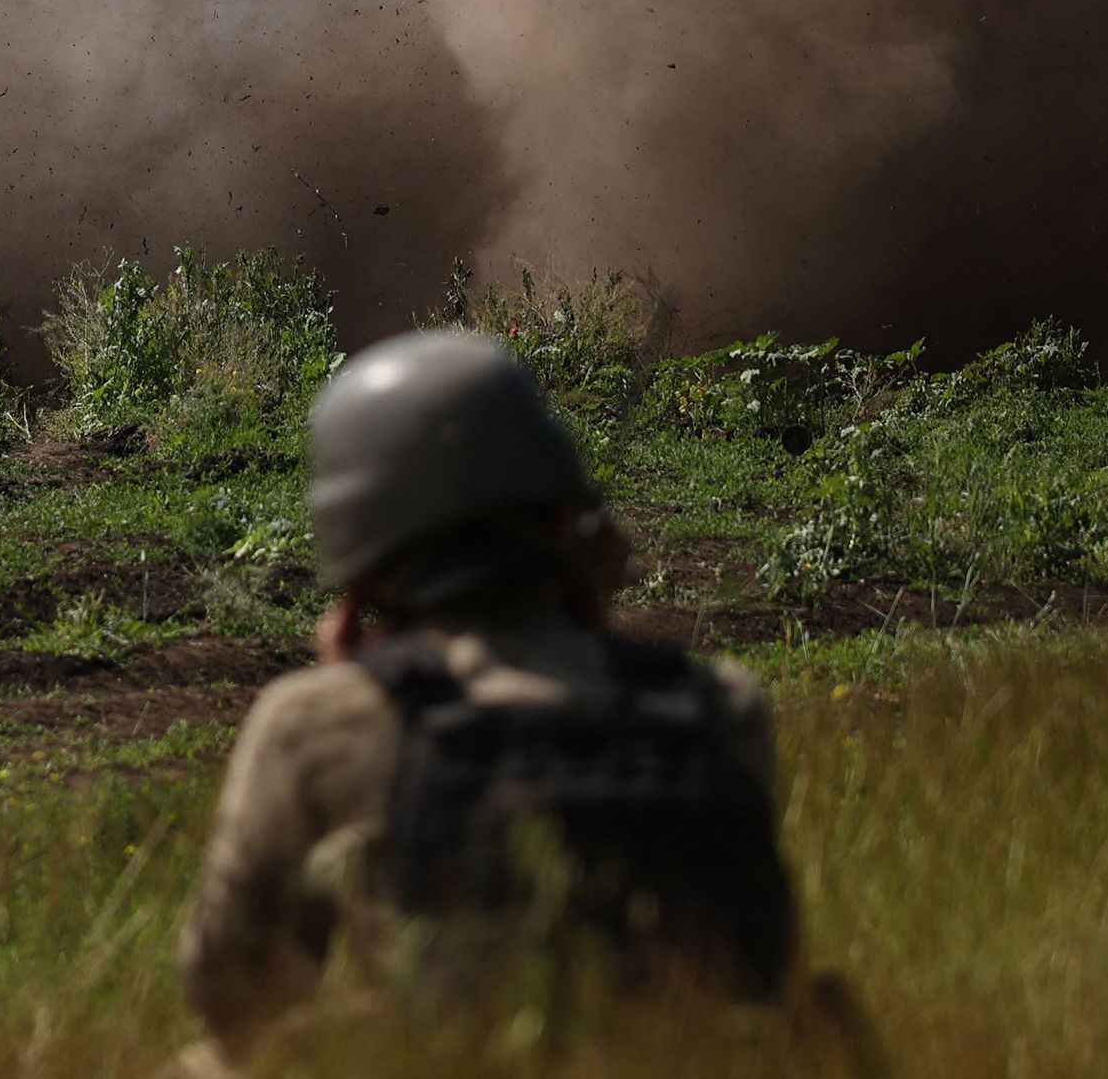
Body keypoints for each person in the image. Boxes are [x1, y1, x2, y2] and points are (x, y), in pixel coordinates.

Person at [175, 330, 795, 1066]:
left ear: (364, 560)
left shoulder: (313, 725)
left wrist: (353, 686)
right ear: (564, 517)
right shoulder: (721, 705)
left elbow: (231, 993)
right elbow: (768, 974)